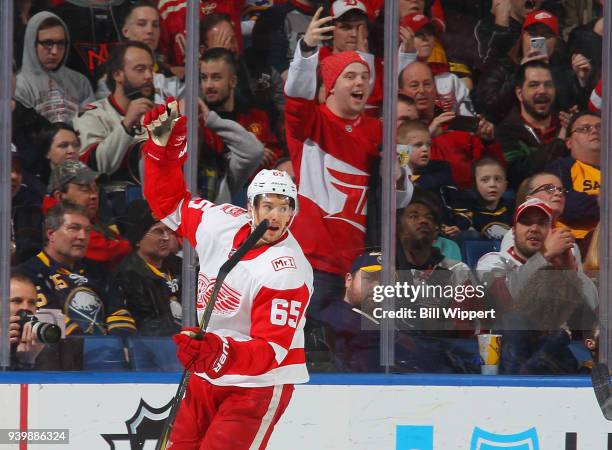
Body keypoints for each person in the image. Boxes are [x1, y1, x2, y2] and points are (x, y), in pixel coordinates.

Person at [141, 99, 313, 448]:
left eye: (284, 208)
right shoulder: (219, 222)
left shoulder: (288, 270)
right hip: (208, 375)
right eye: (268, 206)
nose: (275, 217)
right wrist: (164, 154)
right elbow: (168, 204)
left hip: (257, 385)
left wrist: (218, 351)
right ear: (251, 207)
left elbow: (270, 350)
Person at [284, 8, 413, 320]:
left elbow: (399, 199)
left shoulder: (379, 130)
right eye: (351, 76)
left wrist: (398, 178)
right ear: (331, 83)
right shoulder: (311, 123)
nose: (361, 83)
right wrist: (307, 50)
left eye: (365, 77)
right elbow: (297, 98)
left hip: (362, 267)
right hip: (314, 263)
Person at [18, 202, 135, 336]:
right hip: (62, 354)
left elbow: (119, 314)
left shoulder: (100, 271)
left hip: (107, 353)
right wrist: (88, 350)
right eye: (74, 228)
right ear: (51, 234)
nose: (83, 237)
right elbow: (51, 323)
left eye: (87, 230)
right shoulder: (27, 274)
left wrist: (118, 347)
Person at [399, 60, 504, 188]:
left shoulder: (458, 125)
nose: (422, 90)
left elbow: (498, 174)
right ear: (401, 91)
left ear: (435, 88)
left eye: (427, 84)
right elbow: (398, 175)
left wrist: (489, 143)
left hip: (463, 201)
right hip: (417, 199)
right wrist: (428, 136)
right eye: (414, 85)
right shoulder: (393, 127)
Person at [74, 41, 155, 184]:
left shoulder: (161, 114)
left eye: (151, 69)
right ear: (118, 75)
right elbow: (96, 168)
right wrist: (126, 124)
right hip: (112, 200)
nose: (149, 76)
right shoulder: (93, 115)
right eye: (140, 69)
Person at [495, 60, 569, 189]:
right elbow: (516, 174)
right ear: (519, 93)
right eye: (534, 85)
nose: (542, 91)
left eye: (548, 85)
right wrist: (559, 143)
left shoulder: (567, 125)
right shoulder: (506, 131)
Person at [95, 1, 184, 104]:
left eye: (155, 25)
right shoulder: (110, 75)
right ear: (126, 31)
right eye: (142, 24)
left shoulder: (172, 77)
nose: (150, 30)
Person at [45, 160, 132, 266]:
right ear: (59, 196)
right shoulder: (52, 220)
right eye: (85, 190)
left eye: (95, 190)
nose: (94, 196)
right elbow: (106, 252)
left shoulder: (90, 216)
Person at [114, 200, 181, 336]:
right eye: (158, 232)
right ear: (138, 240)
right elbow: (148, 326)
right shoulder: (128, 276)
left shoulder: (182, 267)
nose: (166, 238)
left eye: (168, 230)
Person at [15, 11, 94, 124]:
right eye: (48, 43)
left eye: (61, 43)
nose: (55, 51)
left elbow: (93, 122)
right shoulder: (19, 85)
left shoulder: (80, 81)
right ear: (32, 43)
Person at [546, 110, 601, 249]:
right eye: (585, 128)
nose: (594, 131)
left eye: (600, 127)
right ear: (569, 142)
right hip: (573, 245)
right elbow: (566, 204)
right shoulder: (560, 167)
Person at [447, 156, 513, 240]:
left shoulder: (513, 208)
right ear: (475, 185)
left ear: (505, 185)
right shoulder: (468, 208)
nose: (492, 184)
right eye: (485, 180)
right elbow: (461, 226)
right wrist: (458, 229)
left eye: (497, 179)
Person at [8, 272, 46, 370]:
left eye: (32, 303)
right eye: (17, 301)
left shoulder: (40, 343)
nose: (26, 307)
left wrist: (28, 361)